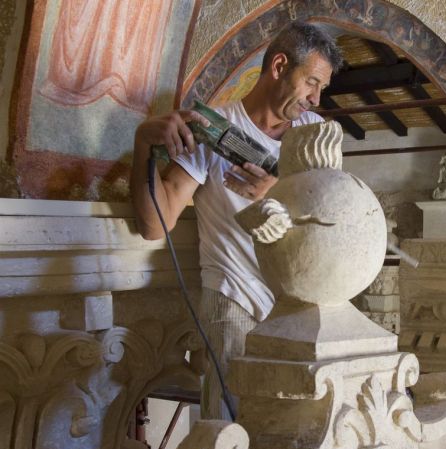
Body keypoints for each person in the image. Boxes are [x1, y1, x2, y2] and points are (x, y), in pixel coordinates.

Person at [130, 22, 343, 419]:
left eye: (322, 88)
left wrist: (277, 194)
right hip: (235, 300)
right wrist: (143, 144)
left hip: (299, 304)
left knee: (292, 426)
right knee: (229, 426)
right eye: (312, 82)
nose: (316, 98)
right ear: (279, 66)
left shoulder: (314, 134)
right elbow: (155, 225)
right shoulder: (213, 129)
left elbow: (333, 219)